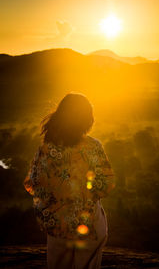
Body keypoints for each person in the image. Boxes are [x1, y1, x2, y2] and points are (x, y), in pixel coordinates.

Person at [24, 91, 115, 269]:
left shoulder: (46, 149)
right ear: (87, 119)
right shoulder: (92, 147)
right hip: (89, 226)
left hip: (57, 226)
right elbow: (106, 186)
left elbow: (32, 184)